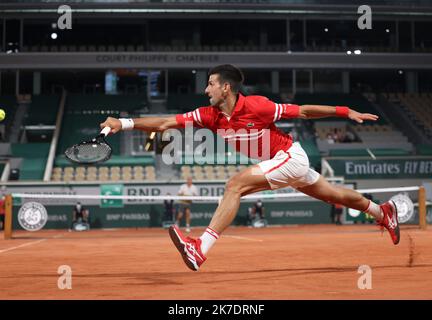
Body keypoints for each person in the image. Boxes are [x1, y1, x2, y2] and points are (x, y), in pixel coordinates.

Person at [100, 64, 400, 272]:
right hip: (280, 164)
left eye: (211, 84)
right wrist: (124, 123)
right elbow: (166, 122)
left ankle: (200, 248)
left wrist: (346, 111)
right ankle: (381, 211)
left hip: (290, 157)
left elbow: (304, 111)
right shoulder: (209, 115)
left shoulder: (257, 105)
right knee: (333, 195)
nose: (206, 90)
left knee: (234, 186)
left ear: (226, 87)